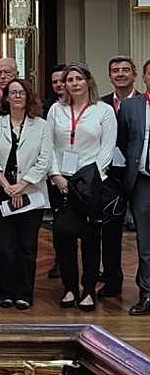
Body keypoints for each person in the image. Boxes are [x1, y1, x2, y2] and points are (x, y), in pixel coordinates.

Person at [47, 64, 116, 312]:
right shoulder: (56, 110)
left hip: (90, 184)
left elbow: (107, 150)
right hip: (61, 182)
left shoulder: (104, 111)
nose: (74, 83)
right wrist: (56, 176)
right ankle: (69, 288)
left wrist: (86, 180)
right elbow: (50, 146)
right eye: (69, 80)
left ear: (88, 82)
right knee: (63, 238)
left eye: (78, 79)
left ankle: (87, 290)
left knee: (89, 239)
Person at [0, 77, 53, 310]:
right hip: (1, 190)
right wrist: (7, 186)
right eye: (13, 93)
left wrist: (21, 185)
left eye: (21, 92)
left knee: (26, 246)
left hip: (31, 193)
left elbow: (44, 161)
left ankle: (24, 293)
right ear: (6, 98)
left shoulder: (41, 125)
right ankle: (5, 291)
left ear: (28, 96)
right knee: (4, 247)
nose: (17, 96)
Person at [99, 55, 138, 299]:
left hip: (139, 176)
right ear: (110, 76)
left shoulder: (145, 103)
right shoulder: (101, 105)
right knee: (110, 233)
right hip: (110, 176)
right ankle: (112, 281)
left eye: (125, 70)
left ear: (134, 75)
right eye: (115, 70)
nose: (120, 74)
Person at [117, 58, 150, 316]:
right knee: (145, 242)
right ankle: (147, 294)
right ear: (144, 78)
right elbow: (123, 142)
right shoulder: (130, 106)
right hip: (142, 182)